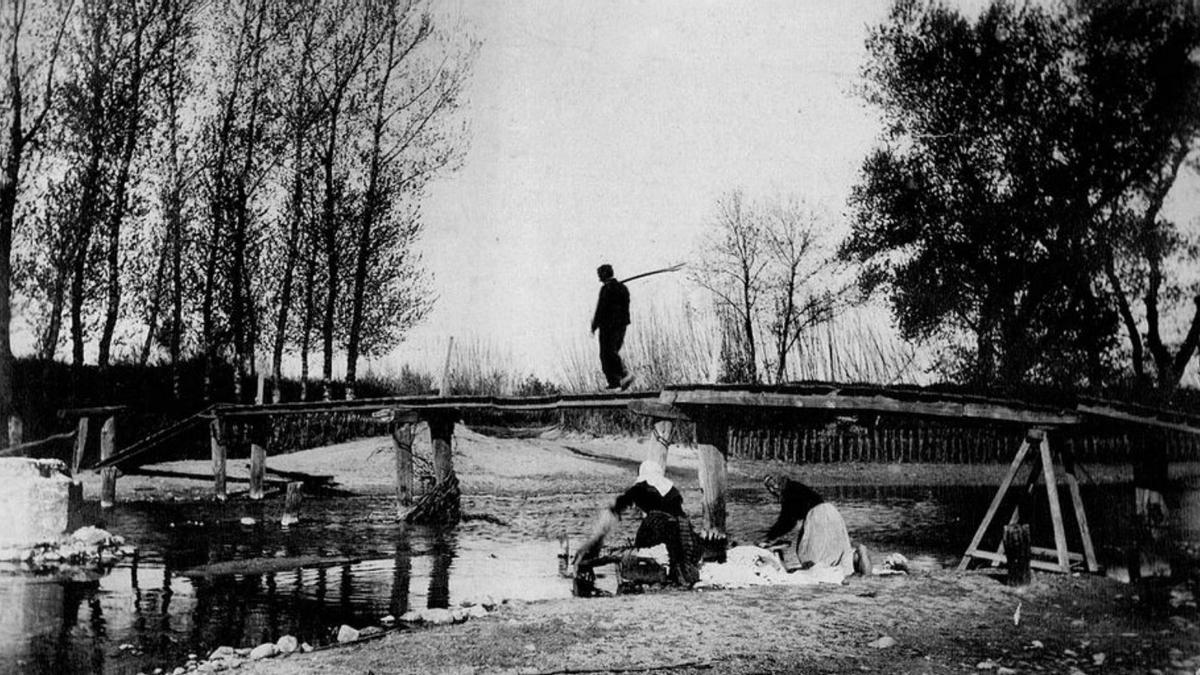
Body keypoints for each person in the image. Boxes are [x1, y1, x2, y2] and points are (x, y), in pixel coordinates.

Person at [574, 460, 701, 587]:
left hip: (660, 528)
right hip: (683, 530)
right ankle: (678, 574)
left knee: (646, 551)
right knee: (680, 560)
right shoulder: (672, 491)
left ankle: (660, 571)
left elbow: (617, 508)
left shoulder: (640, 490)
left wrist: (595, 540)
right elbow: (678, 517)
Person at [759, 473, 856, 576]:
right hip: (831, 513)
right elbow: (788, 520)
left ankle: (818, 573)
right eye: (770, 488)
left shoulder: (789, 492)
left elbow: (787, 521)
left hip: (818, 516)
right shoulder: (794, 488)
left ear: (778, 484)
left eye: (773, 486)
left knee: (811, 553)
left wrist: (769, 537)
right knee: (830, 550)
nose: (773, 490)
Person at [591, 263, 634, 390]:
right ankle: (615, 382)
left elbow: (601, 309)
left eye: (599, 275)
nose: (599, 278)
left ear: (604, 275)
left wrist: (594, 325)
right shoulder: (623, 288)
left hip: (608, 326)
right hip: (621, 326)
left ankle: (623, 374)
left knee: (606, 353)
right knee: (611, 352)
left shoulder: (606, 289)